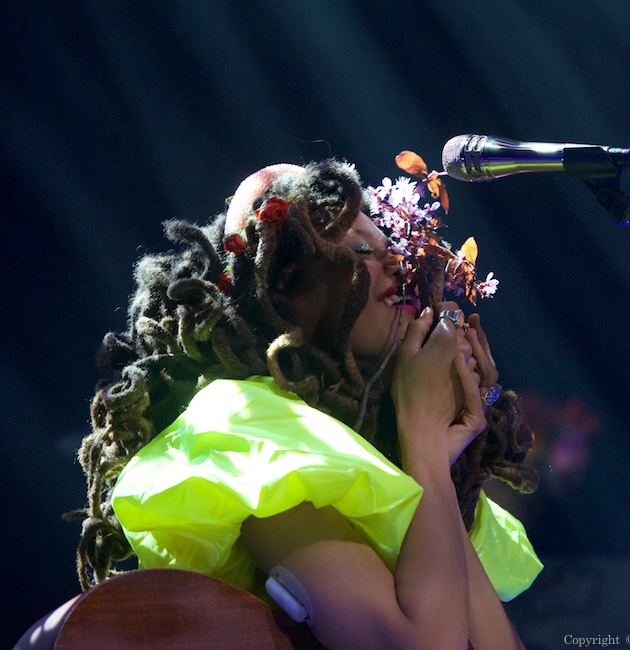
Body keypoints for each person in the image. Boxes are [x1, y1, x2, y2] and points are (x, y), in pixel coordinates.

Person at [65, 157, 542, 648]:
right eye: (359, 248)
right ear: (279, 283)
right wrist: (422, 434)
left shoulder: (393, 446)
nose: (398, 263)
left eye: (391, 247)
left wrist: (442, 461)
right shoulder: (247, 426)